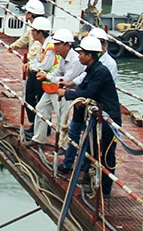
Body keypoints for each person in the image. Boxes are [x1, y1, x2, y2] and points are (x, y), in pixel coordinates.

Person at [57, 34, 122, 198]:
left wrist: (66, 93)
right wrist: (72, 93)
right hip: (98, 117)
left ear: (90, 55)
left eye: (81, 54)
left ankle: (105, 190)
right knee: (94, 150)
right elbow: (82, 89)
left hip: (108, 119)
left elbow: (87, 92)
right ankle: (91, 179)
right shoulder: (92, 70)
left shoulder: (100, 72)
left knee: (106, 154)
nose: (78, 56)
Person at [28, 17, 59, 145]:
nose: (31, 33)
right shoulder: (44, 46)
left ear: (40, 33)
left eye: (34, 30)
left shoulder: (50, 47)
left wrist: (31, 66)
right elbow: (38, 60)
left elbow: (44, 66)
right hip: (49, 87)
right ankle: (38, 139)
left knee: (62, 117)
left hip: (57, 88)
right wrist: (31, 64)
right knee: (40, 109)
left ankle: (64, 145)